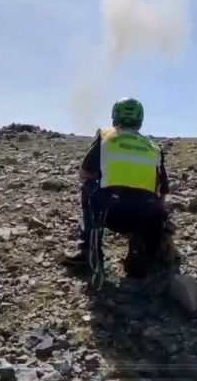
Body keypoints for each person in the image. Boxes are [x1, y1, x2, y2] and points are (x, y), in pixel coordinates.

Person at [63, 97, 171, 278]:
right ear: (140, 121)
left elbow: (84, 172)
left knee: (89, 187)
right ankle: (142, 249)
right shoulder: (154, 147)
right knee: (153, 203)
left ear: (114, 117)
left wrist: (106, 175)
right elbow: (163, 191)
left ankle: (88, 249)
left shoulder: (107, 137)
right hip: (146, 217)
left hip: (111, 211)